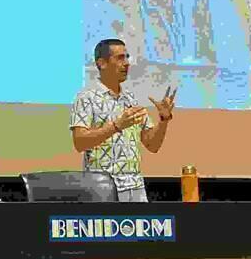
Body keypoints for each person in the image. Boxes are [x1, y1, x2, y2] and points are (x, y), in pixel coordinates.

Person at [69, 38, 176, 202]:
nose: (126, 63)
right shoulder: (86, 97)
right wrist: (116, 126)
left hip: (136, 187)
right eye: (120, 58)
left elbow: (152, 145)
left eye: (127, 57)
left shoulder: (130, 99)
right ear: (102, 63)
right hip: (102, 188)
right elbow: (80, 142)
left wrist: (163, 120)